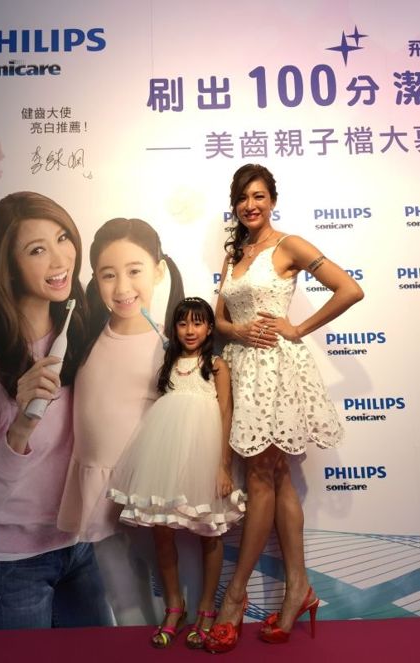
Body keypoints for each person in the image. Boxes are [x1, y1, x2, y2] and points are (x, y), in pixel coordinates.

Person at [204, 164, 364, 652]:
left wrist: (296, 328)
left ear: (272, 200)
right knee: (276, 478)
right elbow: (219, 319)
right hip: (242, 370)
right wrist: (236, 331)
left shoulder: (288, 245)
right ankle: (299, 589)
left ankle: (235, 597)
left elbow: (350, 289)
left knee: (262, 477)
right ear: (235, 205)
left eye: (258, 196)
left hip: (277, 371)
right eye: (242, 198)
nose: (250, 205)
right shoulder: (236, 253)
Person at [0, 192, 112, 630]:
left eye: (63, 238)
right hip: (9, 567)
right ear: (7, 267)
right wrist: (21, 426)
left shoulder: (78, 321)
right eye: (37, 250)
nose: (60, 259)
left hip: (79, 547)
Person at [57, 218, 185, 625]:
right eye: (108, 275)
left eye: (134, 271)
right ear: (95, 279)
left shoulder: (170, 345)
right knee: (124, 601)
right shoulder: (84, 338)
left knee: (174, 595)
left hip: (149, 491)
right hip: (98, 490)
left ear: (158, 271)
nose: (122, 287)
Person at [107, 297, 245, 649]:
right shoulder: (168, 366)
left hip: (206, 459)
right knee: (162, 531)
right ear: (174, 328)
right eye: (183, 323)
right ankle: (174, 608)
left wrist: (223, 466)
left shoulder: (216, 366)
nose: (190, 330)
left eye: (198, 323)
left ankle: (207, 610)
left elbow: (226, 414)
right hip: (165, 459)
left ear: (210, 328)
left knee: (209, 531)